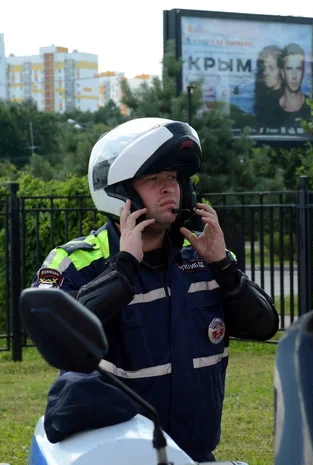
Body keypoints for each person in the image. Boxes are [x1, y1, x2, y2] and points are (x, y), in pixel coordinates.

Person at [31, 117, 280, 462]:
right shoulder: (76, 262)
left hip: (193, 455)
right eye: (153, 179)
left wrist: (223, 266)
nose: (169, 188)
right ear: (120, 192)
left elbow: (264, 326)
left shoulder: (203, 258)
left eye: (174, 178)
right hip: (113, 455)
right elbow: (55, 336)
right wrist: (124, 268)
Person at [276, 43, 312, 130]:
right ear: (282, 73)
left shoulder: (312, 110)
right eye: (289, 69)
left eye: (298, 69)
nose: (294, 76)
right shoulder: (270, 109)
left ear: (303, 72)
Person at [253, 45, 283, 130]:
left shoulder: (289, 100)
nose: (265, 73)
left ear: (281, 70)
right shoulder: (263, 98)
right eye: (263, 68)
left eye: (271, 68)